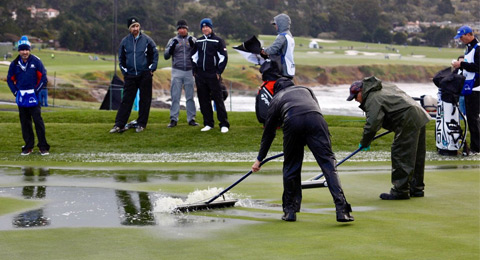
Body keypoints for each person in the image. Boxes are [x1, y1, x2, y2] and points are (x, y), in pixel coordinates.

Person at [252, 77, 354, 223]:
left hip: (292, 121)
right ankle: (342, 210)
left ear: (276, 90)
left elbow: (269, 133)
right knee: (328, 165)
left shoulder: (276, 98)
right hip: (317, 121)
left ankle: (290, 211)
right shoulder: (307, 90)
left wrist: (259, 159)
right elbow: (314, 110)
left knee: (291, 167)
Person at [347, 76, 431, 200]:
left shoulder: (372, 99)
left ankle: (400, 191)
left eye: (355, 97)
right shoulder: (382, 87)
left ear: (361, 92)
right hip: (418, 113)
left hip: (408, 118)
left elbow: (372, 124)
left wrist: (365, 142)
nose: (355, 100)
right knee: (416, 154)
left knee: (401, 153)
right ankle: (416, 188)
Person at [109, 16, 159, 133]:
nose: (135, 28)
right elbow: (121, 59)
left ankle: (141, 123)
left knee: (145, 100)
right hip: (130, 75)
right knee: (126, 100)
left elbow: (155, 55)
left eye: (137, 26)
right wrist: (125, 72)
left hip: (144, 75)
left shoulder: (147, 40)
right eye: (133, 27)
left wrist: (151, 69)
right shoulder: (125, 42)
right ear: (129, 29)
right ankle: (119, 124)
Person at [7, 36, 50, 155]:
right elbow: (10, 80)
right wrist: (15, 92)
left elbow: (43, 78)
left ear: (29, 50)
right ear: (19, 50)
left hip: (34, 97)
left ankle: (43, 146)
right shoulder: (14, 64)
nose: (24, 52)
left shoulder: (36, 61)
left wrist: (36, 91)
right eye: (22, 50)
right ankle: (28, 146)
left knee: (38, 121)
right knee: (25, 122)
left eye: (26, 49)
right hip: (21, 97)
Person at [191, 18, 230, 133]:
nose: (205, 29)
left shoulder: (218, 41)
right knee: (203, 100)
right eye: (203, 27)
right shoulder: (198, 41)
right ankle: (208, 123)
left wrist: (218, 72)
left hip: (213, 75)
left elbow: (223, 57)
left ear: (211, 27)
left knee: (218, 99)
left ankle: (224, 124)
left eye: (207, 26)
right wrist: (195, 71)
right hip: (200, 75)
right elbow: (193, 57)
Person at [164, 19, 198, 128]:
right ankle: (173, 119)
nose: (182, 30)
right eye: (180, 28)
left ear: (187, 29)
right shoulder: (172, 40)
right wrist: (171, 48)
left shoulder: (193, 39)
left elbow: (199, 54)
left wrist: (194, 46)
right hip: (177, 71)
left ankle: (191, 119)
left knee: (190, 96)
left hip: (189, 71)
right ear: (177, 30)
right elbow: (166, 56)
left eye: (183, 28)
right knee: (175, 96)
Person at [452, 25, 480, 155]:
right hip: (469, 87)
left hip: (476, 88)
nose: (461, 40)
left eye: (462, 37)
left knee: (473, 118)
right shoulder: (469, 48)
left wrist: (461, 64)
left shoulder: (478, 48)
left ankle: (477, 148)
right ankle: (476, 146)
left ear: (469, 35)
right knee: (471, 118)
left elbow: (478, 67)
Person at [260, 13, 295, 78]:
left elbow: (273, 49)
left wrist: (263, 50)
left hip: (282, 69)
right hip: (289, 68)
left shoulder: (282, 36)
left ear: (281, 24)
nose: (275, 26)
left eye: (275, 24)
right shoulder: (289, 36)